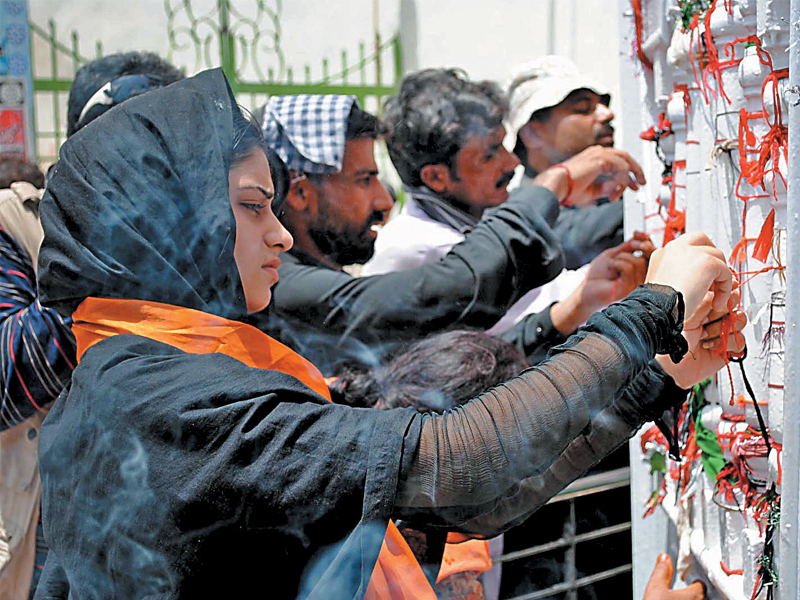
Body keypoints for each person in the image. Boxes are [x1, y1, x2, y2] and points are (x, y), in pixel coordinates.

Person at [35, 68, 742, 599]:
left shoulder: (165, 365)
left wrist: (659, 375)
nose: (281, 234)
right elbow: (458, 460)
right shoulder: (167, 401)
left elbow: (458, 475)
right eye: (252, 208)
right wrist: (652, 308)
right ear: (164, 228)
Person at [260, 93, 645, 372]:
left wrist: (566, 313)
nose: (383, 201)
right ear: (300, 193)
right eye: (364, 179)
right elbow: (452, 289)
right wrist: (550, 186)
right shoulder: (281, 284)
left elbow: (443, 374)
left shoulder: (308, 276)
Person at [0, 52, 183, 600]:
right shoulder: (16, 224)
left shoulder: (204, 242)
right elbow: (6, 380)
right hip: (42, 545)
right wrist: (104, 252)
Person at [362, 68, 652, 363]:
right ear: (437, 177)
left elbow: (547, 294)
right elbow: (506, 338)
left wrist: (605, 274)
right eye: (489, 154)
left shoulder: (476, 215)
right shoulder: (415, 246)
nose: (511, 161)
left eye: (503, 144)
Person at [505, 55, 625, 269]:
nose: (608, 114)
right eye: (583, 109)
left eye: (603, 105)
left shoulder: (619, 190)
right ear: (532, 133)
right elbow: (573, 239)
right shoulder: (516, 212)